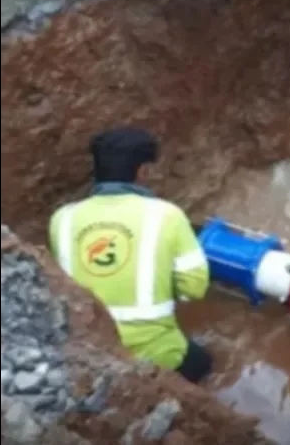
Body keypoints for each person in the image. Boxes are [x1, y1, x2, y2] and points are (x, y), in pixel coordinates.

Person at [48, 127, 213, 383]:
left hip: (87, 353)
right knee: (205, 363)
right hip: (154, 355)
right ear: (142, 171)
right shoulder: (167, 215)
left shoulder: (62, 219)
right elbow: (194, 287)